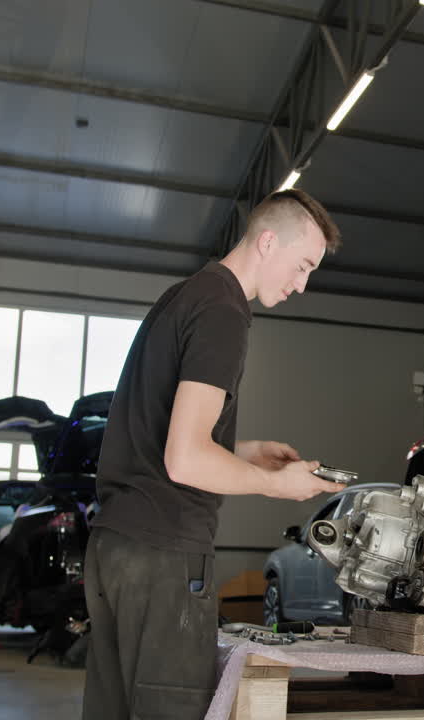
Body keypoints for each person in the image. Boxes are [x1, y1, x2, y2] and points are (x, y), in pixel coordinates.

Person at [82, 189, 347, 719]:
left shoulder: (185, 295)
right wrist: (278, 484)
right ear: (268, 241)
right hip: (163, 550)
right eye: (302, 266)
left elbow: (157, 431)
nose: (302, 285)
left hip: (116, 545)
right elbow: (184, 461)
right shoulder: (224, 311)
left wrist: (245, 452)